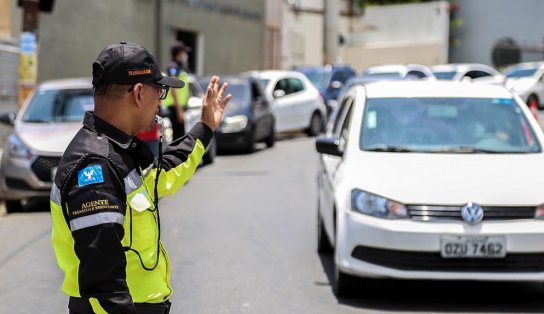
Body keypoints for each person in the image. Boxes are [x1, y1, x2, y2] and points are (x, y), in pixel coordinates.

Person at [50, 41, 231, 314]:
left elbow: (166, 172)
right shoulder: (96, 165)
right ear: (138, 93)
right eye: (159, 92)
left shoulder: (118, 149)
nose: (160, 103)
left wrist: (205, 128)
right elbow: (104, 285)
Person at [163, 41, 192, 138]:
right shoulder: (173, 67)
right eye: (184, 52)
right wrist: (179, 110)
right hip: (175, 107)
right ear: (179, 53)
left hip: (178, 107)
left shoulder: (180, 66)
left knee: (180, 135)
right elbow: (173, 88)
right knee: (178, 136)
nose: (185, 55)